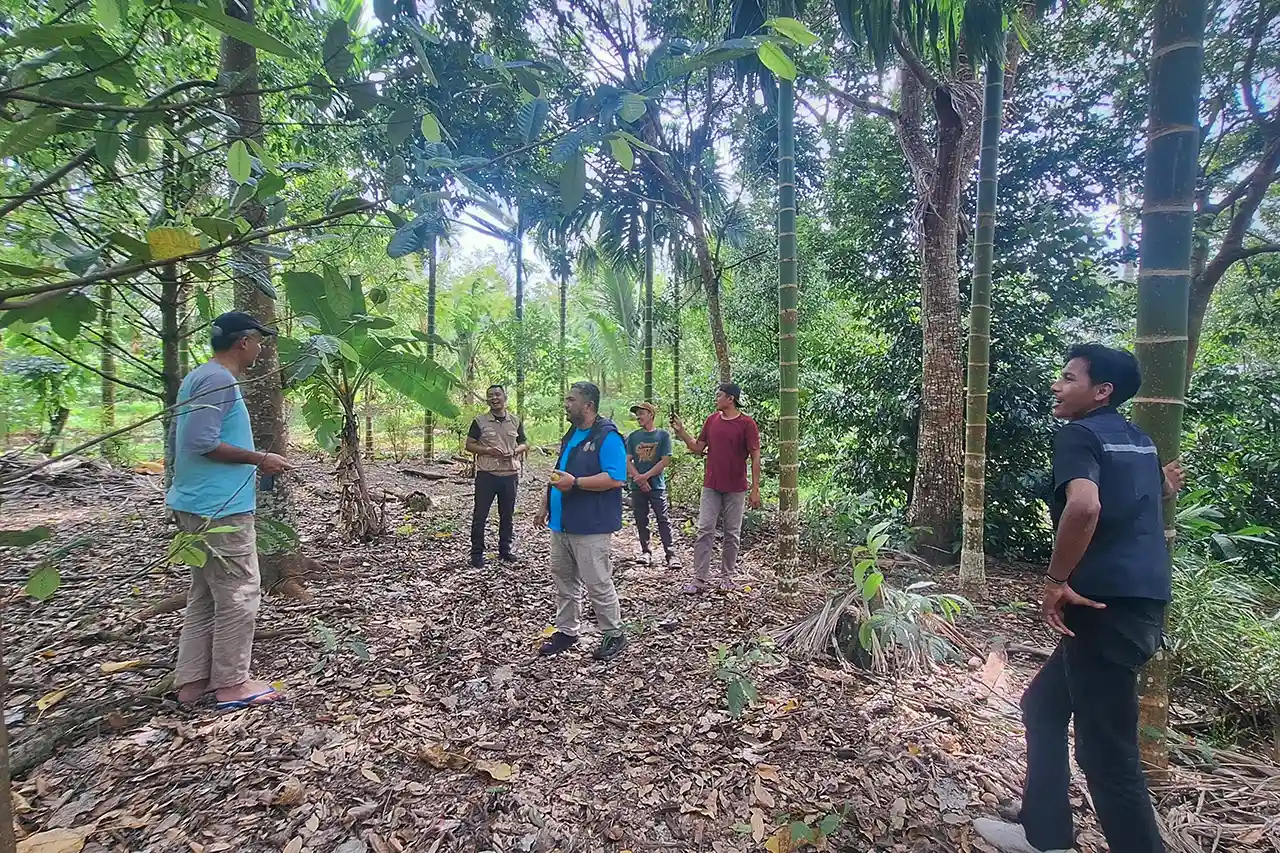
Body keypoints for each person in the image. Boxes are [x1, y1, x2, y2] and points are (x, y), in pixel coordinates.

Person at [974, 344, 1184, 853]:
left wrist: (1055, 579)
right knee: (1042, 707)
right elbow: (1141, 495)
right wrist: (1164, 487)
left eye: (1069, 378)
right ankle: (1045, 834)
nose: (1057, 385)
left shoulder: (1079, 434)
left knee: (1107, 754)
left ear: (1102, 391)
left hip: (1101, 609)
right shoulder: (1139, 441)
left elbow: (1085, 507)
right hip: (1137, 603)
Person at [167, 312, 292, 711]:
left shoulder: (198, 377)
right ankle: (232, 683)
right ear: (243, 342)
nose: (260, 348)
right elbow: (202, 442)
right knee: (241, 591)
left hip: (195, 501)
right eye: (258, 341)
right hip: (219, 507)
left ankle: (192, 681)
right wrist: (260, 458)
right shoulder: (218, 380)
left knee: (206, 593)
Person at [534, 381, 629, 661]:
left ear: (588, 405)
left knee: (597, 581)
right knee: (564, 580)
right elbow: (558, 472)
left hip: (591, 525)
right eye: (566, 399)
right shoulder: (572, 434)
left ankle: (614, 633)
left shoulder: (607, 436)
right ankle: (567, 630)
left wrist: (576, 483)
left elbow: (615, 478)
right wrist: (544, 505)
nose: (566, 404)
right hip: (562, 523)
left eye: (571, 400)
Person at [670, 383, 761, 593]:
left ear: (730, 399)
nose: (716, 399)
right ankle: (699, 579)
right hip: (711, 485)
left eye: (719, 395)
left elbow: (755, 457)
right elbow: (697, 447)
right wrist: (681, 431)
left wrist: (755, 488)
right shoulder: (712, 420)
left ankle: (727, 577)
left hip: (736, 487)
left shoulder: (747, 424)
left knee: (732, 533)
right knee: (704, 530)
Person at [465, 384, 528, 569]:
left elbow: (524, 443)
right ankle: (476, 554)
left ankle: (505, 550)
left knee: (507, 515)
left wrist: (516, 450)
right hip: (487, 474)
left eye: (497, 394)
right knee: (480, 515)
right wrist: (487, 450)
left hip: (510, 474)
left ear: (504, 397)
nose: (494, 398)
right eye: (490, 395)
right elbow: (469, 445)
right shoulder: (480, 421)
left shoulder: (515, 421)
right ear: (487, 400)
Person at [625, 402, 680, 568]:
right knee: (641, 519)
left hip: (656, 486)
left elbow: (665, 460)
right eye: (637, 414)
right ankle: (645, 552)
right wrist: (638, 478)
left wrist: (645, 477)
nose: (638, 417)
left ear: (651, 415)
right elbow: (627, 460)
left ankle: (671, 554)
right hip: (637, 487)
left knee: (663, 519)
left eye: (642, 413)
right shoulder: (633, 437)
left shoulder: (662, 436)